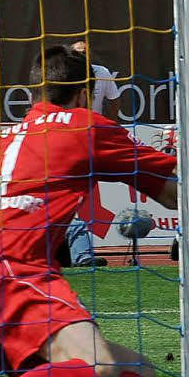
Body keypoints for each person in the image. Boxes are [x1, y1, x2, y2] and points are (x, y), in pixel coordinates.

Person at [0, 45, 176, 377]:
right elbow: (176, 192)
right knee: (98, 368)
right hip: (12, 268)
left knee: (137, 374)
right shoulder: (86, 125)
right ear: (85, 94)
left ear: (32, 93)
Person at [64, 39, 121, 268]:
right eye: (77, 53)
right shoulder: (66, 75)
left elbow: (115, 100)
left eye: (85, 53)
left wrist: (111, 126)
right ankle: (78, 245)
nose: (82, 56)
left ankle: (80, 245)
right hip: (70, 137)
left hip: (95, 135)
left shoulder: (102, 73)